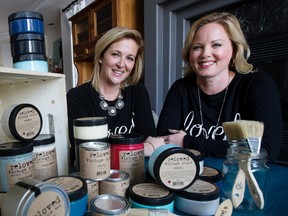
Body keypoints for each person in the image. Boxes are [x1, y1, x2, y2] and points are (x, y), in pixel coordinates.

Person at [156, 12, 283, 162]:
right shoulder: (181, 88)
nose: (205, 54)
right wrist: (231, 147)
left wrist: (187, 141)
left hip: (238, 179)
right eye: (197, 47)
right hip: (191, 177)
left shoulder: (257, 85)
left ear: (234, 50)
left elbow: (266, 150)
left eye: (216, 44)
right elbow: (165, 141)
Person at [67, 27, 158, 166]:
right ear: (101, 57)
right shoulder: (77, 96)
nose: (122, 64)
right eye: (115, 54)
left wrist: (149, 146)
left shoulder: (138, 92)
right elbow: (87, 155)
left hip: (133, 173)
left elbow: (151, 138)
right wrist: (144, 148)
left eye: (129, 58)